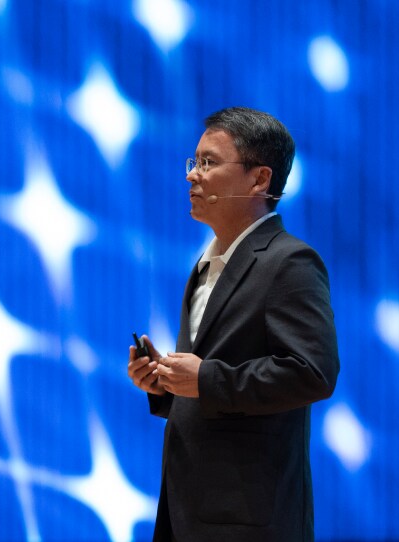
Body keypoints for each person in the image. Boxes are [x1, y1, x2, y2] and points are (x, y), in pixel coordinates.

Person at [128, 106, 340, 542]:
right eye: (194, 162)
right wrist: (165, 385)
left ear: (259, 179)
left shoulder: (290, 262)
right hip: (187, 514)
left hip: (249, 522)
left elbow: (312, 373)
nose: (192, 175)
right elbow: (211, 385)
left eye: (208, 162)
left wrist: (204, 378)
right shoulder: (206, 264)